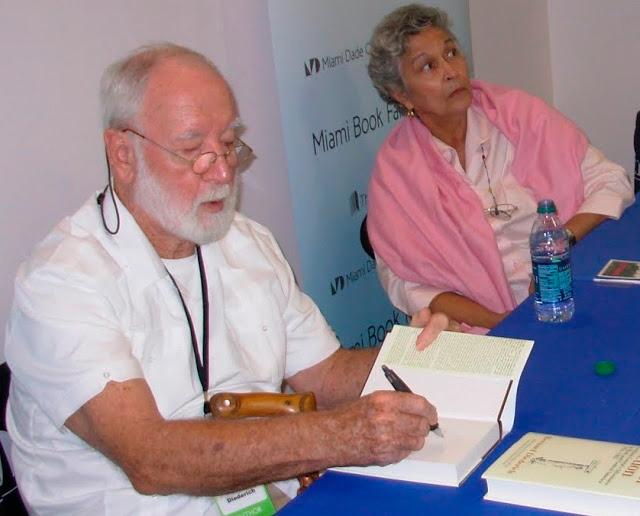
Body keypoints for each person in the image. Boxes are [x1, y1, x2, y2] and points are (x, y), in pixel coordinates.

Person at [4, 43, 450, 514]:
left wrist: (415, 354)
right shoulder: (61, 283)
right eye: (194, 151)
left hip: (266, 499)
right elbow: (151, 460)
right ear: (123, 154)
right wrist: (344, 435)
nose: (222, 172)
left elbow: (324, 372)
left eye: (229, 144)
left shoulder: (244, 240)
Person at [366, 4, 634, 333]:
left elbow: (611, 180)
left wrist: (557, 243)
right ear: (401, 95)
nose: (451, 71)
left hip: (569, 295)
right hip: (481, 330)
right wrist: (504, 326)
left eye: (452, 52)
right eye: (429, 67)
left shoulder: (518, 115)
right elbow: (406, 283)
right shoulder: (397, 171)